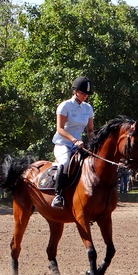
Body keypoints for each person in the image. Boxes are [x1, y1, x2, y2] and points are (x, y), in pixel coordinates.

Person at [51, 75, 95, 208]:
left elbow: (90, 130)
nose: (85, 96)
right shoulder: (65, 106)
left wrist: (93, 145)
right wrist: (75, 140)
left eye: (87, 94)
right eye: (82, 93)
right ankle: (58, 195)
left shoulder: (88, 108)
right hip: (63, 143)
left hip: (80, 145)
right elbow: (60, 129)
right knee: (64, 163)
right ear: (75, 91)